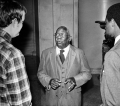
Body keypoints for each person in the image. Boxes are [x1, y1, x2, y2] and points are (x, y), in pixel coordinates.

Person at [37, 26, 91, 106]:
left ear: (69, 38)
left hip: (72, 98)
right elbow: (40, 73)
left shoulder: (79, 53)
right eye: (56, 34)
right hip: (52, 98)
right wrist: (49, 81)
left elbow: (87, 73)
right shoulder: (46, 53)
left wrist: (75, 80)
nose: (58, 37)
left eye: (61, 35)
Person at [0, 0, 32, 106]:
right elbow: (21, 101)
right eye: (22, 22)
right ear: (14, 22)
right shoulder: (12, 54)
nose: (22, 26)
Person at [100, 3, 120, 106]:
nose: (105, 26)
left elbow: (113, 101)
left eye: (106, 22)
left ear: (112, 22)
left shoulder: (113, 54)